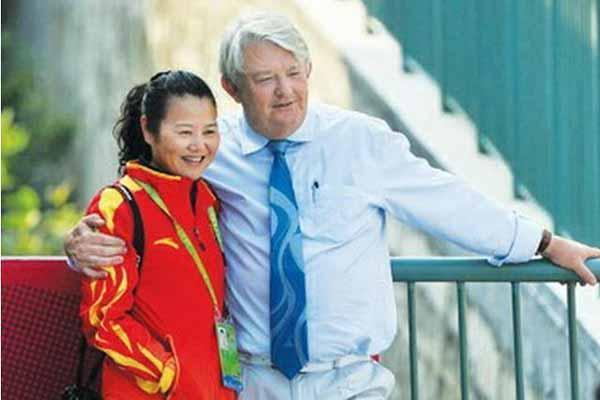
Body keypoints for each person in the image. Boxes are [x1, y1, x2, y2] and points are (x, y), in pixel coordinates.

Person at [65, 12, 599, 400]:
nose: (285, 91)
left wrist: (544, 243)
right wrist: (80, 241)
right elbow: (141, 202)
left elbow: (447, 201)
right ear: (232, 88)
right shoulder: (211, 151)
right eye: (264, 79)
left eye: (294, 72)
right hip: (254, 381)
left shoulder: (361, 142)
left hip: (350, 380)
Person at [78, 70, 236, 399]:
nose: (199, 145)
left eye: (209, 131)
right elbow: (103, 318)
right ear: (148, 130)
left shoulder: (209, 199)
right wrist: (167, 373)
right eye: (184, 132)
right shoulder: (119, 206)